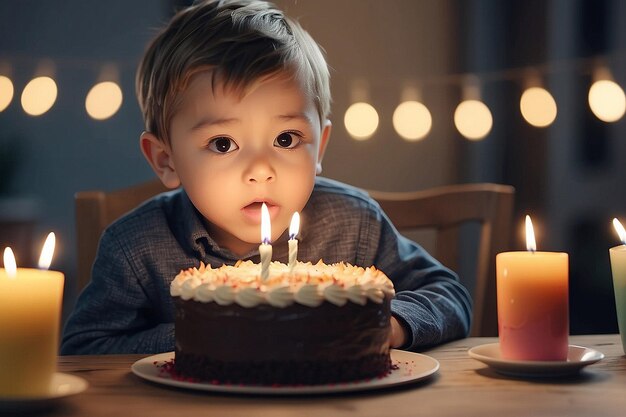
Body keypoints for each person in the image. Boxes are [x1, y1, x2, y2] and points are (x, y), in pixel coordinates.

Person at [61, 0, 471, 355]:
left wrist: (391, 323)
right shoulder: (137, 248)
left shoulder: (355, 225)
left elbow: (450, 296)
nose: (261, 170)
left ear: (320, 147)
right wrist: (204, 334)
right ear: (166, 160)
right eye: (223, 144)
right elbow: (86, 348)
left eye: (286, 138)